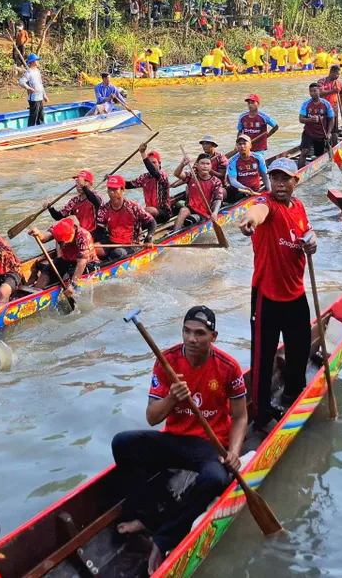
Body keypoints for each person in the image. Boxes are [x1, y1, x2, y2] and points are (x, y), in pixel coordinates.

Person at [111, 306, 247, 574]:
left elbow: (241, 416)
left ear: (213, 336)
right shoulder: (167, 361)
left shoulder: (228, 366)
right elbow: (152, 418)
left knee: (216, 479)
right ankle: (148, 517)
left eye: (200, 333)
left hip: (210, 445)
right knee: (122, 443)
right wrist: (172, 399)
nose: (191, 339)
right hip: (174, 439)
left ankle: (164, 538)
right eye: (186, 331)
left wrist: (234, 452)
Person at [238, 157, 315, 430]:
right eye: (275, 178)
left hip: (296, 292)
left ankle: (293, 393)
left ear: (296, 181)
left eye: (285, 179)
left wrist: (312, 241)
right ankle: (261, 415)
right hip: (267, 296)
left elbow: (306, 231)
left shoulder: (299, 207)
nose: (280, 184)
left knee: (301, 349)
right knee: (262, 357)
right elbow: (256, 213)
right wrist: (248, 221)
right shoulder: (266, 204)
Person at [28, 219, 94, 302]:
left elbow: (81, 263)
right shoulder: (57, 228)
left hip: (86, 263)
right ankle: (35, 296)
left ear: (73, 233)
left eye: (65, 242)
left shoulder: (83, 236)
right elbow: (44, 238)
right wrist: (38, 234)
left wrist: (72, 285)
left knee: (67, 277)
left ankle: (60, 292)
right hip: (66, 259)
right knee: (47, 270)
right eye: (61, 243)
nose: (63, 245)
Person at [94, 175, 156, 260]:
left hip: (132, 244)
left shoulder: (133, 207)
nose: (112, 193)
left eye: (115, 189)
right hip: (112, 241)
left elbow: (151, 222)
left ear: (122, 190)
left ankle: (107, 262)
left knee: (117, 253)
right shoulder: (104, 209)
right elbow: (99, 231)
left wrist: (149, 237)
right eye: (110, 189)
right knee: (91, 249)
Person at [171, 153, 224, 231]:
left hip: (206, 211)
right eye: (202, 163)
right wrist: (182, 164)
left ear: (211, 166)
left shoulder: (216, 181)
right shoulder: (191, 176)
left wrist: (215, 213)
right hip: (191, 207)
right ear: (197, 165)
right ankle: (174, 234)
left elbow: (218, 199)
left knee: (190, 220)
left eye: (208, 164)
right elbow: (177, 174)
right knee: (183, 210)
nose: (205, 166)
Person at [48, 169, 102, 233]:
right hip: (81, 233)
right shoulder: (74, 201)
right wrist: (50, 208)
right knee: (57, 227)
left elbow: (97, 202)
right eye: (77, 181)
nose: (80, 184)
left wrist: (84, 187)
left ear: (91, 184)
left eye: (84, 181)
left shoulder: (96, 196)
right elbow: (58, 216)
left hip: (96, 233)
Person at [128, 145, 173, 223]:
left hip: (164, 213)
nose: (152, 164)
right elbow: (129, 185)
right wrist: (113, 179)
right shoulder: (144, 177)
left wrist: (142, 153)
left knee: (145, 210)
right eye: (150, 162)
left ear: (159, 163)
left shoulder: (162, 176)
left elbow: (153, 172)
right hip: (150, 213)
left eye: (154, 162)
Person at [225, 134, 270, 202]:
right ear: (237, 147)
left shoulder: (258, 157)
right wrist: (245, 188)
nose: (242, 146)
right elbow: (233, 181)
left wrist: (269, 190)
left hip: (256, 189)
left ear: (250, 146)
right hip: (242, 190)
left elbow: (264, 175)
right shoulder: (232, 161)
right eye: (239, 144)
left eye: (244, 143)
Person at [297, 83, 332, 165]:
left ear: (319, 91)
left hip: (321, 134)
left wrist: (329, 132)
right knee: (304, 152)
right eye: (310, 91)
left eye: (314, 91)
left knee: (319, 154)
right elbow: (301, 119)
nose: (312, 93)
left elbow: (331, 119)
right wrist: (310, 120)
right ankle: (299, 174)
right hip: (308, 133)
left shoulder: (326, 104)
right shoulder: (305, 104)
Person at [19, 53, 48, 126]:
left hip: (40, 97)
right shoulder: (29, 72)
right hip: (34, 98)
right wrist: (29, 88)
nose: (38, 62)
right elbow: (21, 82)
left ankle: (41, 127)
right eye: (36, 60)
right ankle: (30, 129)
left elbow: (40, 84)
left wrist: (44, 95)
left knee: (41, 115)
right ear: (32, 62)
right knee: (33, 116)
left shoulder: (37, 71)